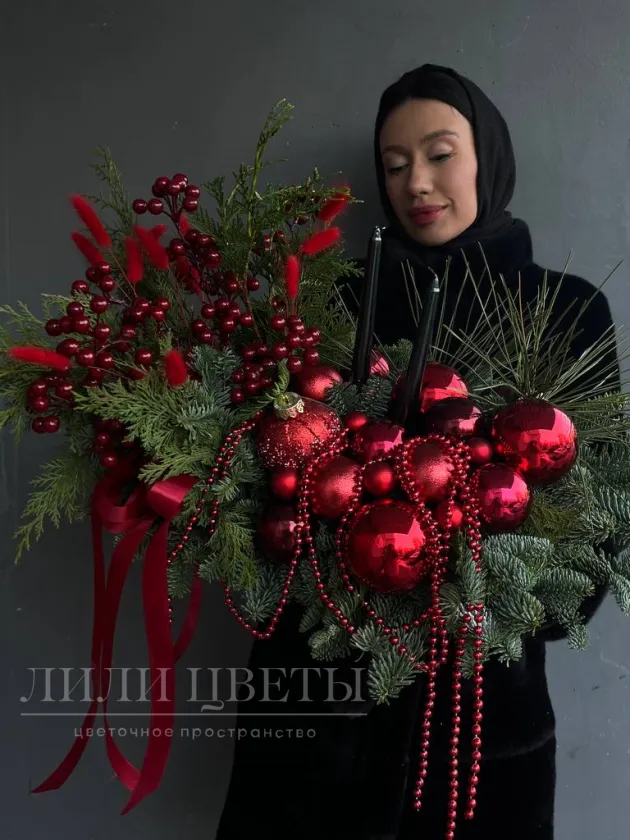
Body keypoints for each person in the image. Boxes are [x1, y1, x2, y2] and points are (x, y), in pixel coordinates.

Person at [215, 64, 620, 839]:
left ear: (487, 158)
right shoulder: (330, 301)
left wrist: (488, 605)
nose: (417, 184)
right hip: (317, 699)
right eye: (395, 165)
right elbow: (262, 477)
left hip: (475, 710)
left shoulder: (566, 308)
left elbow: (599, 514)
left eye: (440, 154)